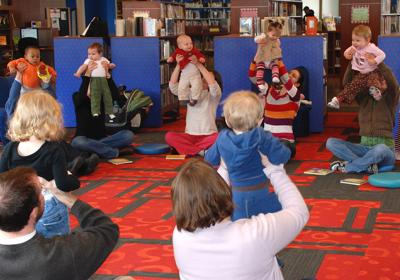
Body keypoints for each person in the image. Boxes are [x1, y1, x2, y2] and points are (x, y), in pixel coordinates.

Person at [171, 159, 309, 280]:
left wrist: (225, 168)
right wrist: (275, 169)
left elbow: (206, 197)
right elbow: (299, 212)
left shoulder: (179, 236)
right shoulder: (254, 234)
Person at [0, 166, 119, 280]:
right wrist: (70, 200)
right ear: (33, 212)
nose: (43, 194)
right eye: (41, 191)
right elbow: (107, 229)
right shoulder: (65, 251)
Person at [0, 91, 80, 238]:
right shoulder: (54, 149)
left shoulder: (11, 148)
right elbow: (62, 184)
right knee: (57, 244)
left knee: (24, 243)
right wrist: (72, 178)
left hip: (19, 206)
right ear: (52, 119)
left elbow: (2, 178)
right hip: (48, 206)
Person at [205, 91, 291, 220]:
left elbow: (209, 159)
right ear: (260, 121)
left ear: (227, 121)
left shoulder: (222, 138)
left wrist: (223, 155)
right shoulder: (262, 136)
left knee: (237, 225)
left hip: (236, 199)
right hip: (262, 196)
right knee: (289, 206)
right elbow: (282, 156)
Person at [327, 61, 399, 174]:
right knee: (331, 142)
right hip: (364, 148)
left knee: (380, 148)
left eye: (383, 80)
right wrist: (353, 62)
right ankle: (366, 166)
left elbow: (392, 82)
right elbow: (348, 84)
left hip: (385, 150)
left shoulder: (391, 97)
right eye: (378, 80)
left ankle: (349, 167)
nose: (381, 83)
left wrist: (377, 62)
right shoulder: (363, 98)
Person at [71, 61, 134, 159]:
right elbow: (82, 97)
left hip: (101, 139)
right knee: (78, 142)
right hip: (83, 139)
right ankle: (113, 152)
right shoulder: (77, 96)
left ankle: (93, 150)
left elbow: (116, 97)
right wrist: (87, 76)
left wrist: (108, 76)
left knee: (128, 135)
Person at [165, 54, 222, 156]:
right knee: (169, 136)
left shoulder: (214, 95)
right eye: (202, 77)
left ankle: (190, 150)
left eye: (206, 77)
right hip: (190, 136)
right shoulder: (191, 92)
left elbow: (212, 85)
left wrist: (198, 64)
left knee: (220, 137)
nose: (204, 79)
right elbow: (173, 86)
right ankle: (200, 151)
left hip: (208, 135)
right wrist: (179, 65)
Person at [327, 25, 387, 109]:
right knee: (352, 86)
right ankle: (338, 100)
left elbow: (383, 55)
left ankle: (376, 92)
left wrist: (374, 61)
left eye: (358, 40)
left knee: (373, 80)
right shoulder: (354, 48)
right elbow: (345, 54)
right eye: (353, 40)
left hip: (372, 72)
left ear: (367, 40)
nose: (354, 42)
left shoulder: (371, 47)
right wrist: (348, 55)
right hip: (361, 74)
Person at [6, 46, 56, 117]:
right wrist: (12, 68)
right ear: (25, 56)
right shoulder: (22, 61)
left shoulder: (41, 65)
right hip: (25, 89)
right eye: (32, 56)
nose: (35, 58)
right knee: (23, 102)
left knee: (40, 100)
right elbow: (11, 63)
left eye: (38, 56)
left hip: (37, 89)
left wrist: (53, 77)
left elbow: (50, 70)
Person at [74, 42, 116, 119]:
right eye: (89, 54)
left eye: (93, 54)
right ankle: (95, 111)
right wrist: (78, 73)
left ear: (100, 54)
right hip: (94, 80)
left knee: (107, 95)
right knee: (95, 96)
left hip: (103, 79)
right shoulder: (88, 61)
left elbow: (109, 65)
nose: (90, 56)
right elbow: (83, 67)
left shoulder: (104, 59)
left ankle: (110, 111)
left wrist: (111, 66)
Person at [167, 34, 206, 106]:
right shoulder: (178, 51)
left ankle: (195, 98)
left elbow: (200, 55)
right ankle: (183, 99)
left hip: (195, 74)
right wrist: (171, 59)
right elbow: (173, 56)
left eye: (191, 43)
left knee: (196, 86)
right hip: (184, 74)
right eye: (186, 44)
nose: (189, 45)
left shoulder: (194, 50)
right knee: (182, 86)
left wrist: (201, 59)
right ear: (180, 46)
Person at [253, 21, 283, 89]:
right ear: (268, 32)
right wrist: (259, 40)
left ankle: (275, 77)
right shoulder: (264, 36)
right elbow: (255, 39)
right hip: (262, 59)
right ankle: (260, 82)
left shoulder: (277, 40)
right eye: (273, 35)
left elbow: (278, 47)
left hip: (270, 60)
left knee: (275, 66)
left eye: (278, 36)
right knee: (260, 69)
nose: (275, 37)